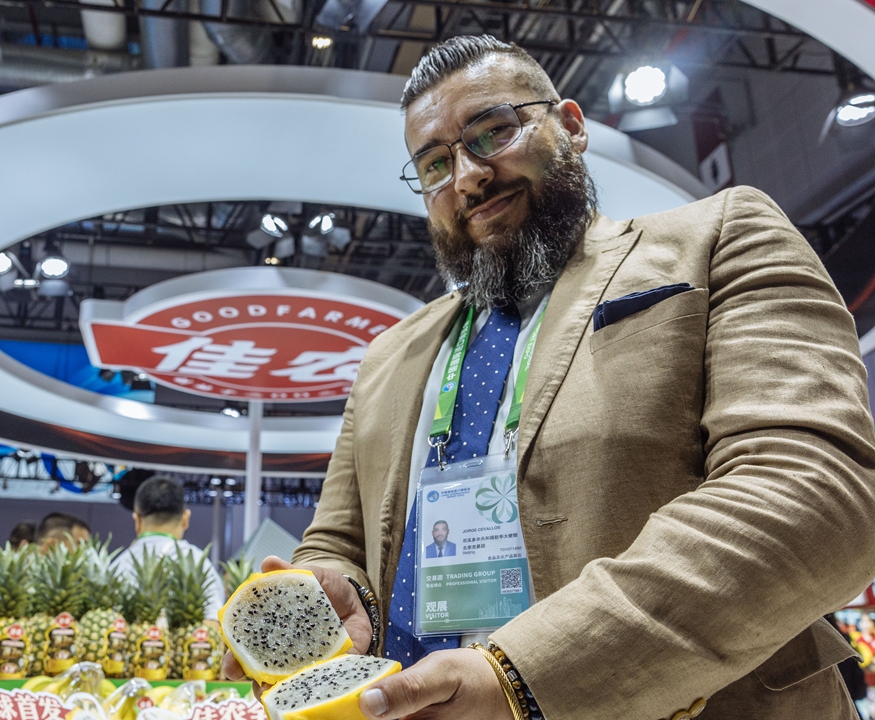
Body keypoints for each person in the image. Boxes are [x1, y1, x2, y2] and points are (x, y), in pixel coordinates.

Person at [225, 35, 875, 720]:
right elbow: (338, 541)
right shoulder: (390, 354)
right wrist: (330, 587)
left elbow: (818, 497)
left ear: (570, 125)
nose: (468, 176)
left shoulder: (718, 237)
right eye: (435, 163)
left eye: (493, 132)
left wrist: (523, 678)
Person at [112, 476, 226, 620]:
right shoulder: (200, 564)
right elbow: (212, 625)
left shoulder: (118, 565)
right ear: (185, 518)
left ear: (137, 520)